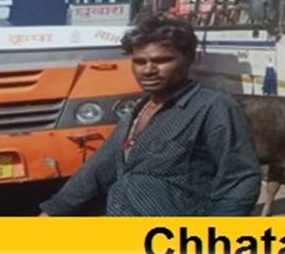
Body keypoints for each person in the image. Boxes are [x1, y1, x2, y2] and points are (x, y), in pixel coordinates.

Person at [39, 15, 262, 216]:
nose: (148, 70)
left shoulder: (213, 107)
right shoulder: (138, 110)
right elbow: (97, 170)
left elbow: (239, 181)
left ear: (189, 59)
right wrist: (53, 212)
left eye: (162, 61)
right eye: (139, 61)